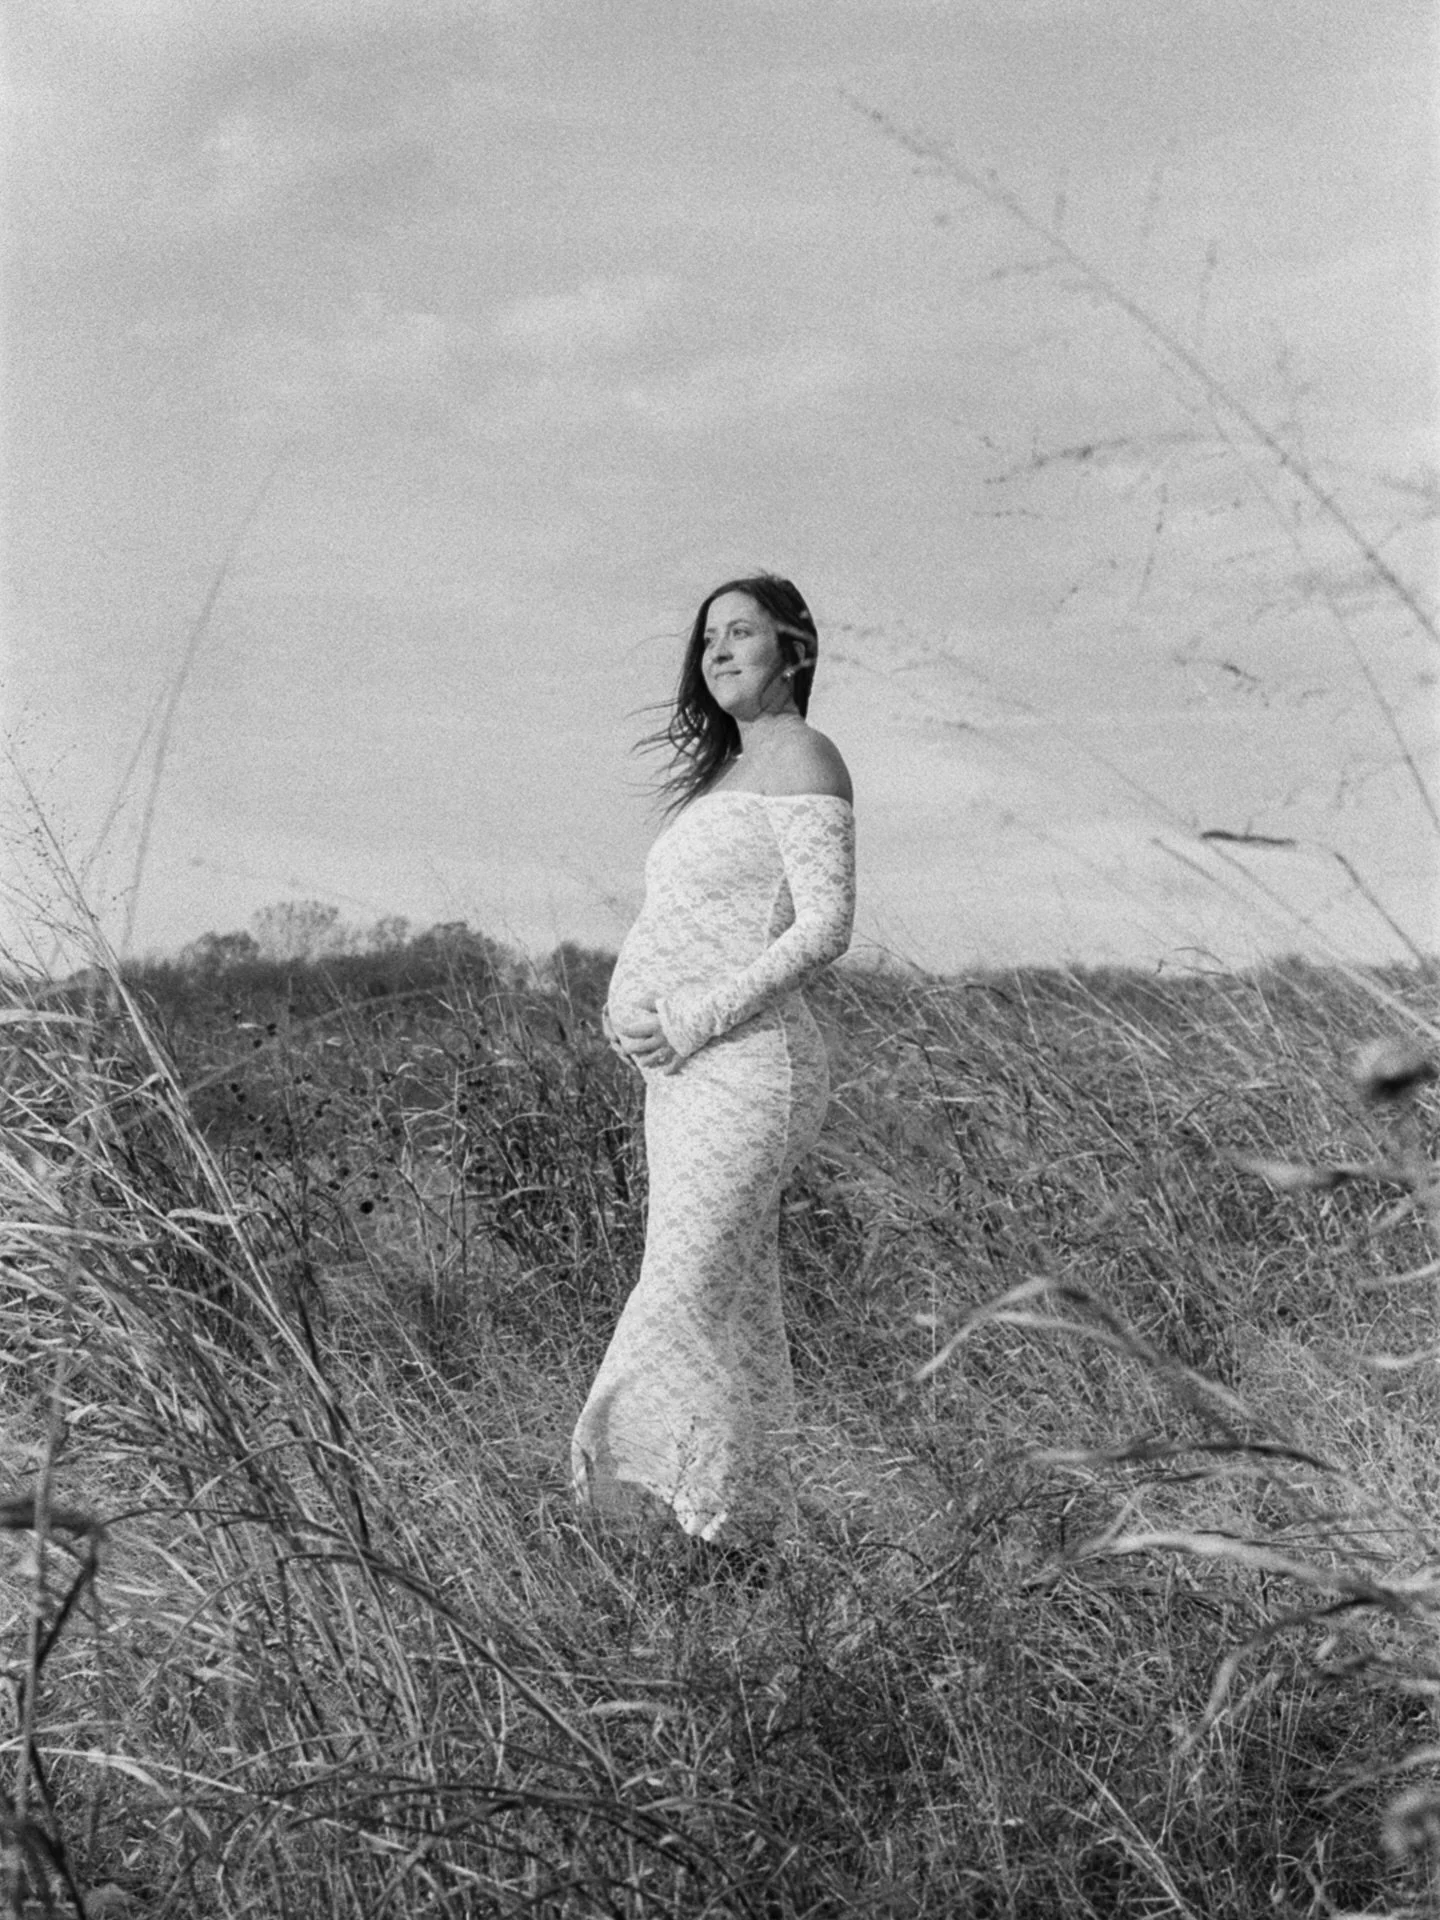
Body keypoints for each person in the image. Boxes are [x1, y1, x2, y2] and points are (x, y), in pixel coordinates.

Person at [571, 574, 855, 1549]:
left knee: (680, 1295)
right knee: (735, 1307)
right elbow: (679, 921)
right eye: (708, 640)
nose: (720, 652)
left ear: (795, 649)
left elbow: (824, 928)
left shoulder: (805, 755)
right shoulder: (722, 779)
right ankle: (748, 1535)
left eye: (742, 633)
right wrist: (633, 1017)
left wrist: (689, 1018)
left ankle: (616, 1506)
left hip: (751, 1070)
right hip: (682, 1083)